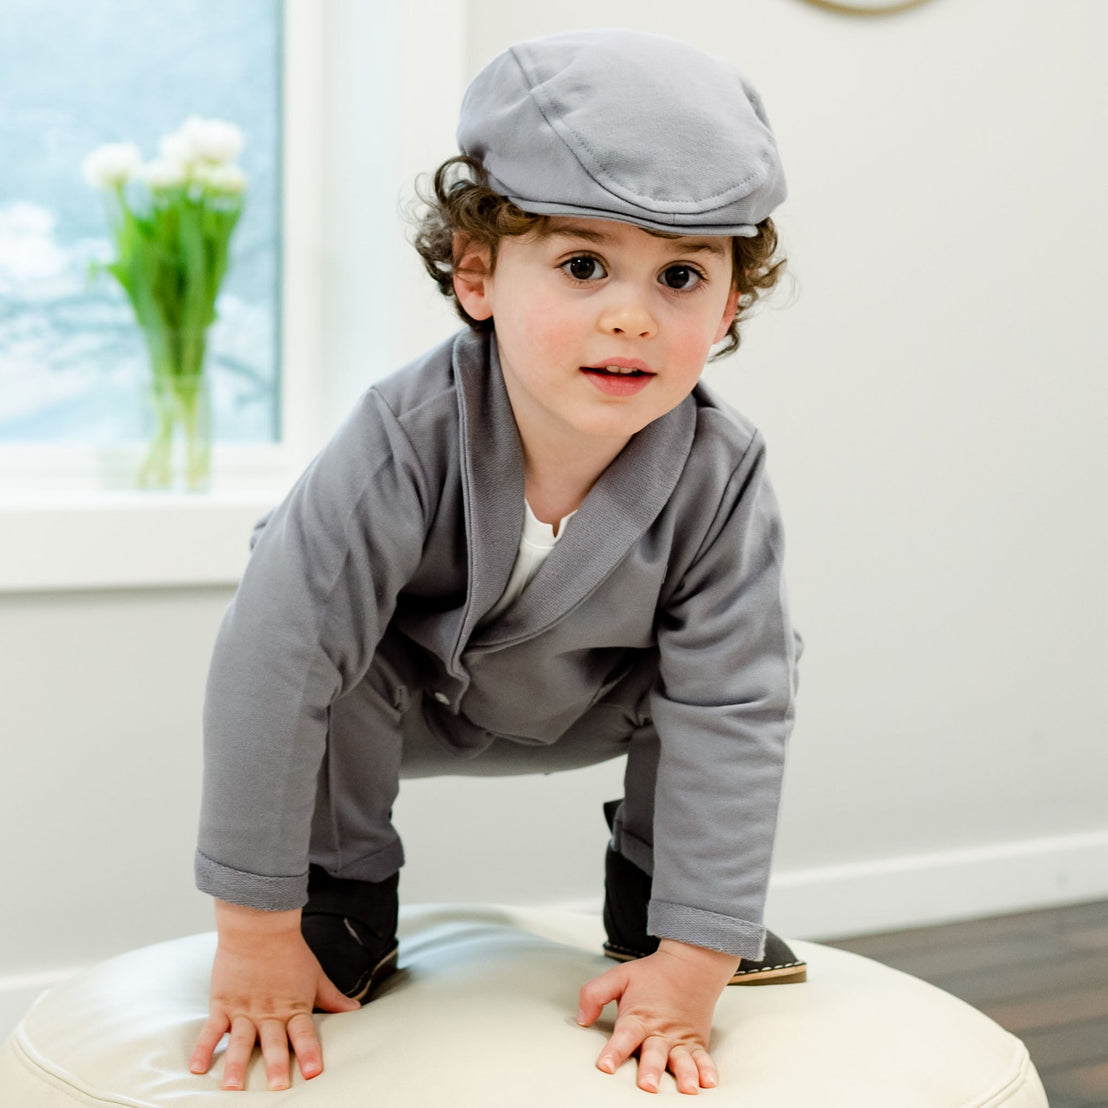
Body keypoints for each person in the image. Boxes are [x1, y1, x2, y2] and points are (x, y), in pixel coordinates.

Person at [189, 27, 803, 1096]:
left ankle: (656, 897)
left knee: (745, 667)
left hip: (593, 698)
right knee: (319, 659)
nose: (630, 313)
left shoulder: (721, 470)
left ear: (729, 305)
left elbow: (736, 708)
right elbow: (274, 662)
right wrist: (254, 931)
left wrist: (696, 955)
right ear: (476, 275)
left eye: (680, 276)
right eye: (580, 265)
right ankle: (343, 894)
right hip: (401, 693)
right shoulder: (403, 436)